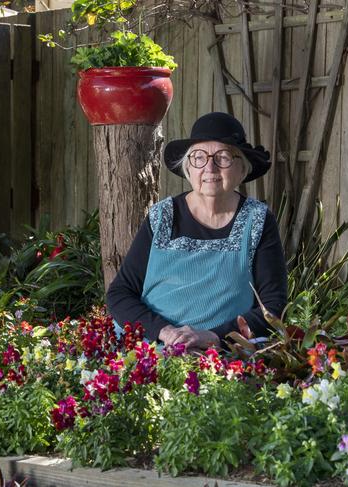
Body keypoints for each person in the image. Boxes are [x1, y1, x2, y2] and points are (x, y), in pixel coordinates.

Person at [106, 112, 287, 353]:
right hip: (151, 344)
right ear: (188, 167)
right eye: (198, 157)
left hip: (222, 351)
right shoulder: (162, 216)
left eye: (222, 157)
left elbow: (273, 308)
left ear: (242, 168)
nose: (209, 167)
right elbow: (120, 293)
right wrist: (166, 332)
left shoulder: (258, 220)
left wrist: (212, 337)